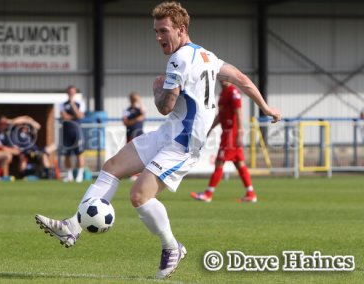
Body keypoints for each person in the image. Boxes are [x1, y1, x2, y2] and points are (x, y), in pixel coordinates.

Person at [35, 1, 281, 279]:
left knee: (139, 196)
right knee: (112, 166)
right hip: (169, 133)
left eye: (164, 31)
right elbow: (242, 79)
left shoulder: (178, 60)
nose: (159, 38)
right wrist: (266, 107)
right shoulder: (207, 56)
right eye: (156, 31)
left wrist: (156, 90)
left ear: (181, 29)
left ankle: (172, 247)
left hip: (182, 144)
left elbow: (164, 106)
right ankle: (72, 227)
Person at [190, 81, 257, 203]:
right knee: (239, 164)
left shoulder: (233, 93)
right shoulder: (223, 93)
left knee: (219, 162)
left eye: (226, 77)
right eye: (221, 77)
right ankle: (251, 193)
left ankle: (208, 194)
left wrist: (240, 133)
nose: (223, 80)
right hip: (227, 133)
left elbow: (239, 114)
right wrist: (210, 128)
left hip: (231, 135)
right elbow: (221, 115)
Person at [60, 85, 86, 182]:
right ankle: (69, 175)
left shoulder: (80, 103)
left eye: (72, 92)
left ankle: (79, 175)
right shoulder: (62, 104)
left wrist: (73, 106)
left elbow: (80, 116)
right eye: (69, 91)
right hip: (66, 131)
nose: (71, 93)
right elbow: (64, 116)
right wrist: (74, 116)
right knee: (67, 154)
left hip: (77, 131)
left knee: (79, 153)